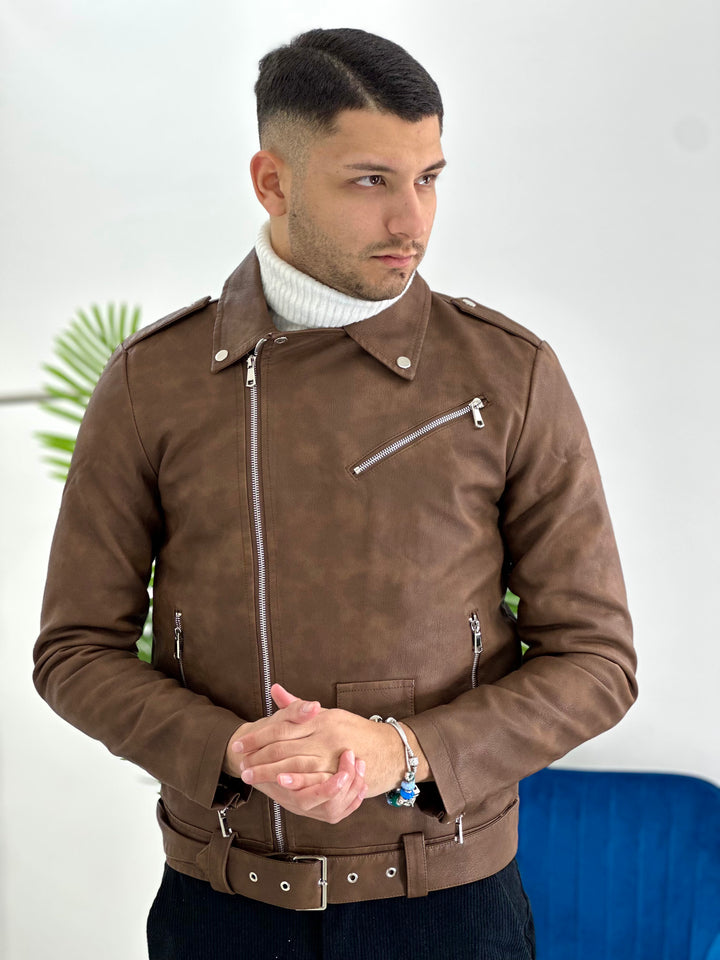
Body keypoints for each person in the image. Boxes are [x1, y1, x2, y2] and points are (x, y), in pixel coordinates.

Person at [34, 27, 637, 960]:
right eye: (371, 181)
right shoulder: (153, 382)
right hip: (220, 908)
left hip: (451, 911)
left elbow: (597, 661)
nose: (412, 221)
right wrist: (231, 751)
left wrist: (402, 752)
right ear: (272, 182)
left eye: (428, 178)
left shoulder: (508, 374)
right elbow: (74, 650)